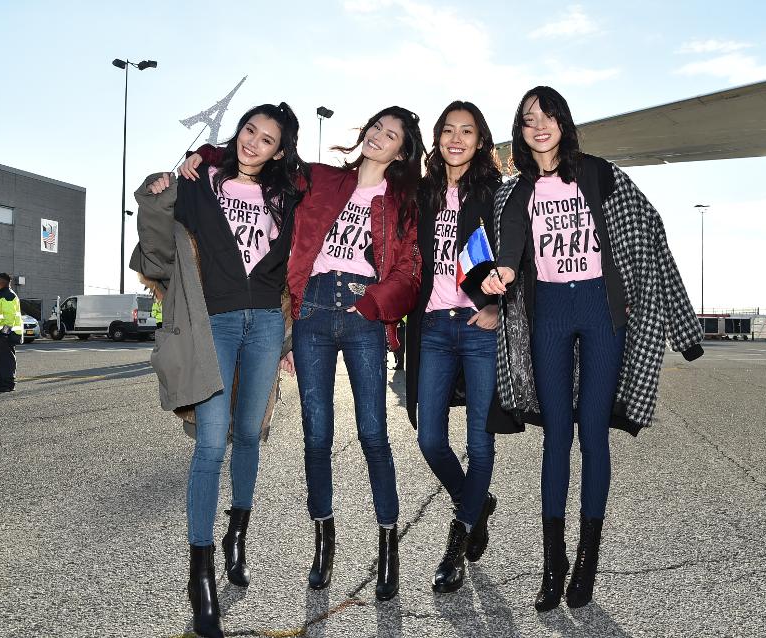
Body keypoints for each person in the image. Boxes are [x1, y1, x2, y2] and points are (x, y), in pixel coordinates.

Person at [183, 104, 424, 601]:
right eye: (376, 126)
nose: (379, 135)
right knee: (316, 435)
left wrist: (374, 304)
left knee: (374, 433)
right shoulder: (320, 179)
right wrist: (199, 153)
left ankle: (388, 551)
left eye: (391, 133)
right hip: (312, 310)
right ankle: (323, 546)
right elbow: (255, 155)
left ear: (403, 149)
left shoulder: (404, 202)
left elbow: (411, 269)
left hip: (364, 313)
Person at [481, 86, 704, 611]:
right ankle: (552, 561)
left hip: (602, 314)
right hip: (549, 314)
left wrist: (682, 326)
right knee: (557, 436)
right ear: (520, 128)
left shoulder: (600, 174)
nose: (541, 126)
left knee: (593, 434)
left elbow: (650, 233)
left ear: (565, 122)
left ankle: (587, 558)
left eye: (549, 116)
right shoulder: (513, 192)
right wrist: (499, 277)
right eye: (530, 118)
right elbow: (505, 248)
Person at [135, 103, 309, 638]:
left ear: (280, 150)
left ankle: (237, 535)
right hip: (213, 324)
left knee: (251, 435)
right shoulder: (201, 180)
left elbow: (296, 263)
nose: (253, 142)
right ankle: (200, 572)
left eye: (267, 139)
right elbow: (156, 242)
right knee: (211, 443)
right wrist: (161, 184)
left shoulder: (288, 197)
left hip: (264, 325)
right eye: (248, 131)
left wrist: (290, 331)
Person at [405, 100, 513, 593]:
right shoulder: (423, 193)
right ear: (438, 138)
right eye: (449, 129)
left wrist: (497, 308)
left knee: (478, 442)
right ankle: (477, 500)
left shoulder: (494, 191)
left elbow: (514, 252)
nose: (456, 138)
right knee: (429, 438)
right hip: (431, 326)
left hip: (477, 325)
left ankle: (458, 538)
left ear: (480, 140)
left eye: (467, 131)